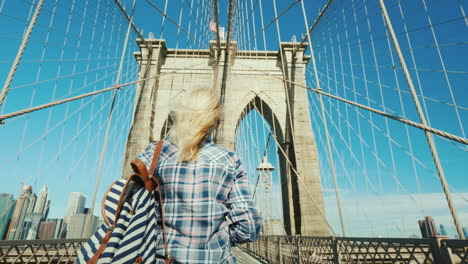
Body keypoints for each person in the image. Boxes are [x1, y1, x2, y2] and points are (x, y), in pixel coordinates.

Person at [135, 88, 262, 263]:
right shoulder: (230, 160)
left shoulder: (154, 153)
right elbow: (249, 227)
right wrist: (220, 239)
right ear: (216, 122)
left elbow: (133, 209)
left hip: (160, 258)